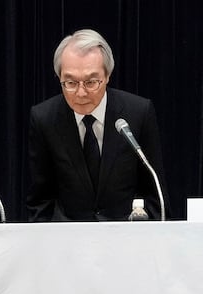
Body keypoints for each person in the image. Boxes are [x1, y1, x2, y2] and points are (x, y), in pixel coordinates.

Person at [27, 29, 165, 222]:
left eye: (91, 82)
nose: (81, 93)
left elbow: (154, 194)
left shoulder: (138, 113)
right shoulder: (44, 119)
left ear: (107, 75)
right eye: (71, 82)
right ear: (59, 77)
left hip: (127, 239)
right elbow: (40, 200)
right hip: (67, 242)